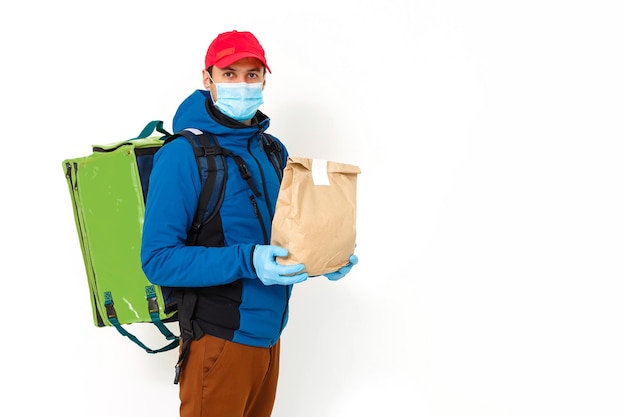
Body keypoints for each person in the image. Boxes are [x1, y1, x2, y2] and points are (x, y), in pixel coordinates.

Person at [140, 30, 358, 417]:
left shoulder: (272, 150)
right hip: (220, 339)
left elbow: (284, 236)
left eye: (252, 74)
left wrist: (324, 256)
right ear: (208, 80)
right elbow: (158, 260)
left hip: (271, 334)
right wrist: (248, 261)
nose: (243, 84)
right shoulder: (182, 156)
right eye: (229, 74)